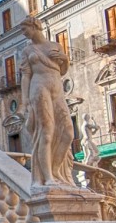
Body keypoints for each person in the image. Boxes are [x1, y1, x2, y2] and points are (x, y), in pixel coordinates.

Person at [18, 16, 74, 189]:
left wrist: (64, 58)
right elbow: (26, 76)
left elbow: (62, 70)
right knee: (46, 131)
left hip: (57, 87)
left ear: (35, 26)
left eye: (25, 29)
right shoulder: (27, 51)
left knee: (68, 132)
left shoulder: (55, 46)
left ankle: (56, 171)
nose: (24, 33)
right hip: (39, 87)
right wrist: (25, 101)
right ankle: (47, 177)